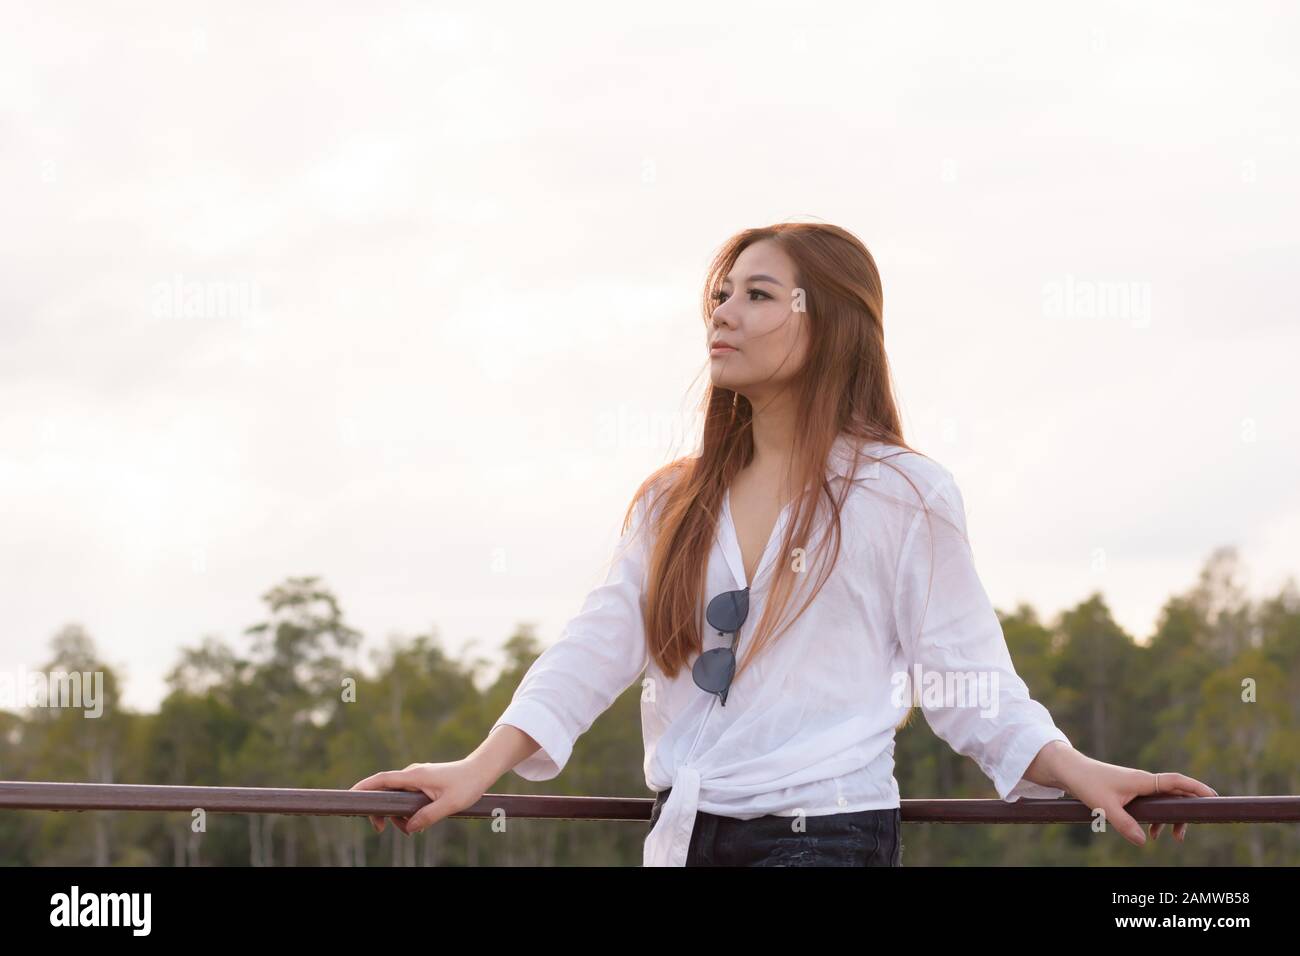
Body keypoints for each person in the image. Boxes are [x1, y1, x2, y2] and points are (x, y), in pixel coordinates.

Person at [352, 221, 1217, 866]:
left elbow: (967, 679)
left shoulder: (903, 493)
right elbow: (596, 646)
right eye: (721, 295)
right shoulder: (672, 501)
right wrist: (476, 769)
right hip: (684, 833)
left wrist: (1078, 770)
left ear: (829, 323)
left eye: (757, 294)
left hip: (829, 833)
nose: (723, 313)